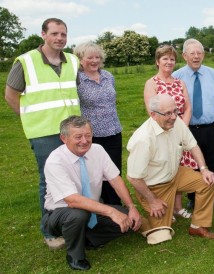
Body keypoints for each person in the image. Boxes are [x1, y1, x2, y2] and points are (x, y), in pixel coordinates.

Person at [4, 18, 80, 249]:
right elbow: (10, 95)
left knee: (74, 177)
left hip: (72, 131)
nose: (59, 38)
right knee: (49, 182)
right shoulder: (25, 61)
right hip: (44, 133)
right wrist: (28, 118)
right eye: (55, 33)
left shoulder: (73, 60)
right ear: (43, 35)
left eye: (63, 34)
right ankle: (49, 232)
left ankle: (74, 223)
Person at [43, 115, 141, 271]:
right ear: (64, 138)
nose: (84, 141)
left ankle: (87, 238)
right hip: (60, 213)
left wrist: (131, 207)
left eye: (88, 135)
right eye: (78, 137)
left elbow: (115, 180)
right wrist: (110, 211)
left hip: (92, 209)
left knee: (127, 219)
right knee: (78, 214)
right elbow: (73, 201)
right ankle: (75, 256)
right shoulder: (55, 161)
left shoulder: (98, 150)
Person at [127, 94, 214, 244]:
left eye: (175, 111)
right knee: (161, 236)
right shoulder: (143, 139)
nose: (174, 117)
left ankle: (198, 226)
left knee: (207, 181)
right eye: (168, 113)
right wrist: (153, 200)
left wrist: (204, 169)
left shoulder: (177, 123)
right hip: (154, 187)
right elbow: (133, 178)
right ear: (153, 115)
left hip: (175, 174)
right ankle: (132, 217)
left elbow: (192, 145)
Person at [144, 45, 194, 220]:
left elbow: (187, 107)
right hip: (162, 132)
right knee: (163, 169)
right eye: (165, 58)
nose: (169, 62)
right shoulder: (152, 83)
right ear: (157, 61)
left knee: (179, 168)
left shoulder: (180, 82)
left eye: (172, 59)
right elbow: (152, 111)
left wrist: (182, 128)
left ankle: (178, 207)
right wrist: (169, 129)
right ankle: (164, 204)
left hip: (179, 131)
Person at [173, 38, 214, 208]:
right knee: (190, 163)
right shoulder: (177, 76)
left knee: (211, 160)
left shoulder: (212, 73)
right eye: (192, 53)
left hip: (210, 128)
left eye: (199, 53)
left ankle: (210, 195)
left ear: (203, 55)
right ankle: (193, 198)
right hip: (188, 128)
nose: (196, 56)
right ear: (184, 55)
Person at [74, 41, 122, 205]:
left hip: (114, 130)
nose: (94, 61)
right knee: (95, 173)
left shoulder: (108, 76)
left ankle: (115, 205)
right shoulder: (77, 80)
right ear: (80, 59)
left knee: (114, 170)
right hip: (92, 134)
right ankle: (97, 205)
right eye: (90, 57)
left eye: (97, 57)